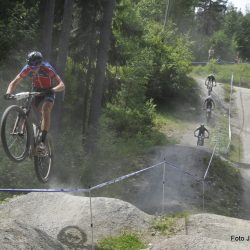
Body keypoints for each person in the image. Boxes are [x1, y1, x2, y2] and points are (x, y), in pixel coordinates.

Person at [4, 51, 65, 154]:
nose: (33, 69)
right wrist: (8, 93)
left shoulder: (47, 69)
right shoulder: (27, 68)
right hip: (36, 90)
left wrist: (53, 90)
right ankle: (22, 131)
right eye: (31, 66)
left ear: (40, 63)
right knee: (26, 107)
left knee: (45, 110)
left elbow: (62, 85)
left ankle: (42, 142)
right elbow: (14, 82)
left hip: (48, 92)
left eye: (35, 66)